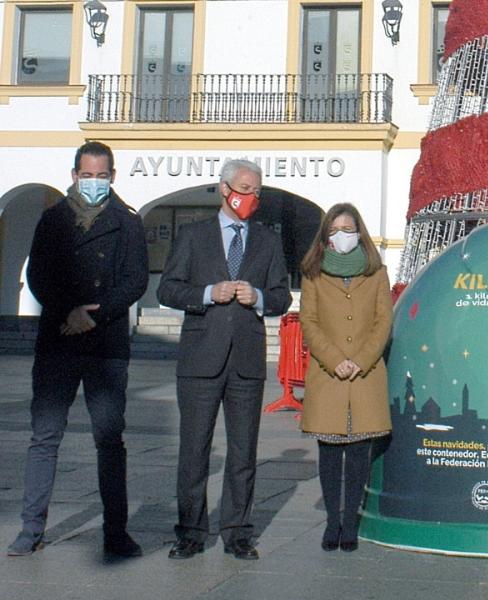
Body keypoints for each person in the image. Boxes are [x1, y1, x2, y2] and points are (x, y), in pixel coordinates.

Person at [8, 141, 148, 557]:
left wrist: (95, 313)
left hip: (105, 346)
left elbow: (135, 279)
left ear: (112, 177)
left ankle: (116, 533)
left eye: (100, 176)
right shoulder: (52, 220)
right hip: (58, 341)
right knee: (44, 437)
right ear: (73, 175)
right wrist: (68, 310)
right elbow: (38, 274)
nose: (93, 183)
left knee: (109, 439)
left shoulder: (128, 222)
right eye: (86, 175)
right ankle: (31, 529)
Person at [158, 159, 291, 560]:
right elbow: (167, 289)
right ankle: (191, 532)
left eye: (256, 192)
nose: (250, 198)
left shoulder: (267, 240)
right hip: (200, 359)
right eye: (244, 189)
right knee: (194, 450)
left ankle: (237, 532)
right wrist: (205, 294)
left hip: (246, 362)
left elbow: (282, 296)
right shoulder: (194, 236)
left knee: (243, 451)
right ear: (224, 188)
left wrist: (261, 299)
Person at [298, 203, 392, 552]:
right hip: (328, 374)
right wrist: (335, 359)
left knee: (358, 452)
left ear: (359, 232)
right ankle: (331, 523)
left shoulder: (376, 273)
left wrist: (362, 359)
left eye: (348, 229)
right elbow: (309, 321)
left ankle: (350, 521)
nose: (342, 235)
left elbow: (384, 320)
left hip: (365, 375)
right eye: (335, 230)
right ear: (326, 236)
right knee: (329, 450)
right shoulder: (313, 274)